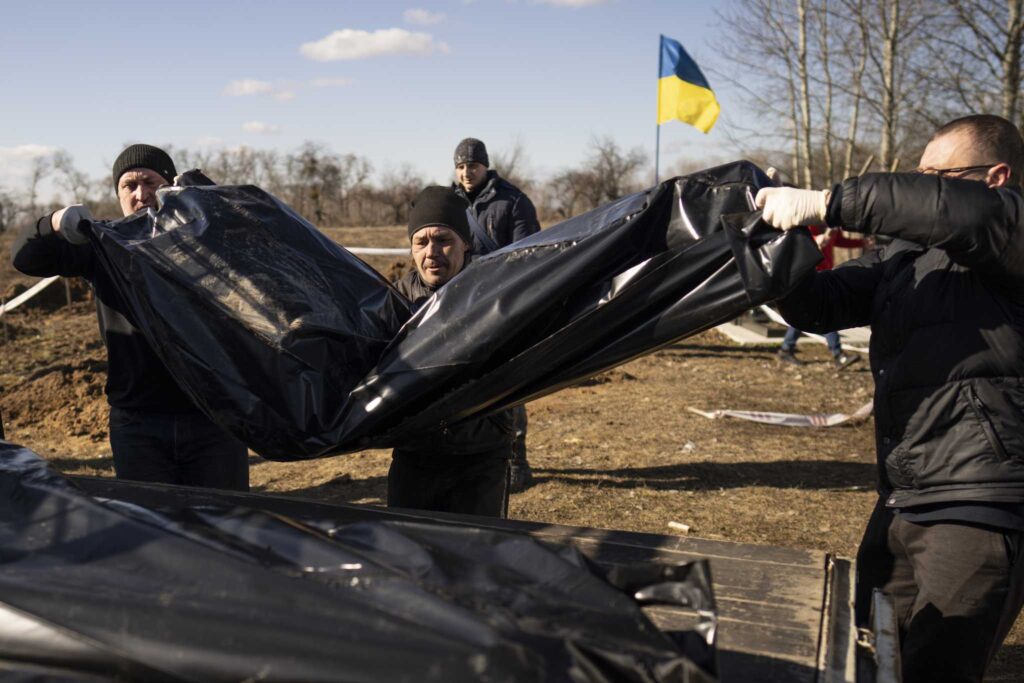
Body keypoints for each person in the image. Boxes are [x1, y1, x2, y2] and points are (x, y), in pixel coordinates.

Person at [756, 114, 1024, 683]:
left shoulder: (1010, 229)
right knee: (868, 655)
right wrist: (777, 240)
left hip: (981, 500)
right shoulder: (905, 256)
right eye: (920, 175)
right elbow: (819, 305)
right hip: (905, 494)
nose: (926, 185)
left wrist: (828, 200)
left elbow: (958, 212)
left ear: (996, 177)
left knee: (937, 666)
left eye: (940, 176)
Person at [11, 144, 249, 491]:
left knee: (227, 529)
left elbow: (249, 237)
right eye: (129, 186)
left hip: (213, 418)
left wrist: (207, 199)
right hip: (139, 425)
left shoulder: (202, 240)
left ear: (170, 186)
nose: (141, 195)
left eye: (151, 183)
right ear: (118, 193)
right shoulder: (104, 247)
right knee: (149, 533)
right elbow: (26, 258)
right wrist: (56, 222)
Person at [389, 185, 515, 517]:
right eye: (421, 242)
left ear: (466, 242)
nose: (432, 252)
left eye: (443, 240)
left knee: (478, 556)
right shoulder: (394, 302)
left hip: (481, 454)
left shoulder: (495, 294)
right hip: (414, 454)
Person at [452, 137, 541, 491]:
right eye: (460, 167)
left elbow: (530, 254)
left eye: (472, 166)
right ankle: (473, 455)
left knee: (508, 383)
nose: (466, 173)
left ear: (485, 166)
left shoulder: (514, 201)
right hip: (459, 305)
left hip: (503, 304)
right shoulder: (449, 201)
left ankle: (516, 460)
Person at [777, 226, 863, 369]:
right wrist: (816, 240)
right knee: (825, 312)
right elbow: (794, 240)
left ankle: (786, 348)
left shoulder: (832, 223)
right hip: (809, 275)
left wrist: (861, 244)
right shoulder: (808, 220)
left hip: (826, 273)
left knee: (808, 312)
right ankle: (838, 354)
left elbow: (838, 241)